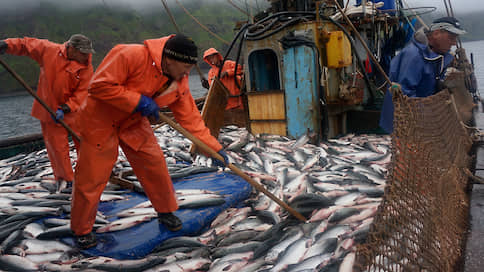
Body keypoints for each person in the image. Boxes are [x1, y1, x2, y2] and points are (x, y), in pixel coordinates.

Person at [70, 33, 230, 249]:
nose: (187, 73)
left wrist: (214, 149)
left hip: (134, 123)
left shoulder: (179, 82)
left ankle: (165, 211)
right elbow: (98, 86)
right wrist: (137, 100)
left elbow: (192, 121)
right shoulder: (129, 54)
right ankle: (82, 230)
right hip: (100, 119)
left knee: (155, 165)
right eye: (186, 66)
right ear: (170, 60)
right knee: (92, 175)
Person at [0, 34, 94, 191]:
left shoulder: (87, 66)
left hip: (75, 111)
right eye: (83, 52)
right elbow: (26, 45)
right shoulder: (49, 50)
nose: (86, 56)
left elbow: (83, 92)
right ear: (72, 49)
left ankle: (90, 175)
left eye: (87, 53)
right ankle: (66, 181)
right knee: (57, 148)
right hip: (49, 111)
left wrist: (66, 107)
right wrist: (5, 45)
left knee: (86, 143)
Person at [379, 16, 466, 133]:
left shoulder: (438, 55)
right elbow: (405, 96)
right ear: (436, 33)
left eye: (456, 38)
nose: (454, 43)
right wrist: (429, 119)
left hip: (422, 119)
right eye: (451, 37)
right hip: (402, 126)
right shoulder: (414, 56)